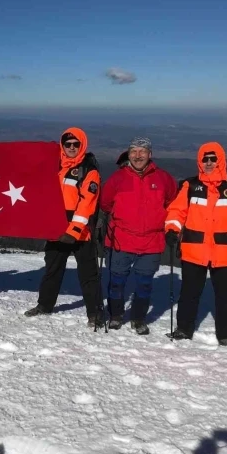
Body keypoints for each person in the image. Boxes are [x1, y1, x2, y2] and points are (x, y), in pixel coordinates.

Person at [165, 142, 227, 348]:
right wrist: (172, 230)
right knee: (189, 294)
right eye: (204, 159)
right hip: (194, 250)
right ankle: (183, 330)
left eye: (212, 159)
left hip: (225, 251)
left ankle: (226, 336)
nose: (208, 163)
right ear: (200, 161)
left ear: (220, 160)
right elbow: (176, 211)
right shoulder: (189, 186)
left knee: (226, 297)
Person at [25, 128, 104, 326]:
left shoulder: (89, 170)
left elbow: (87, 205)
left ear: (82, 146)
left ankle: (94, 315)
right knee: (52, 270)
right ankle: (44, 305)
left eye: (75, 144)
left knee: (88, 275)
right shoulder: (54, 164)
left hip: (80, 232)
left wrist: (73, 231)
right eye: (67, 144)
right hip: (55, 228)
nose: (71, 148)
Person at [99, 137, 177, 334]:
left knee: (144, 284)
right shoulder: (118, 179)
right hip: (121, 239)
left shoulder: (163, 179)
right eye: (134, 151)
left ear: (150, 154)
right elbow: (105, 204)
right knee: (116, 282)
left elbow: (173, 204)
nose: (138, 155)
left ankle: (138, 318)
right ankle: (116, 315)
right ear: (128, 154)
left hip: (151, 241)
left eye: (142, 151)